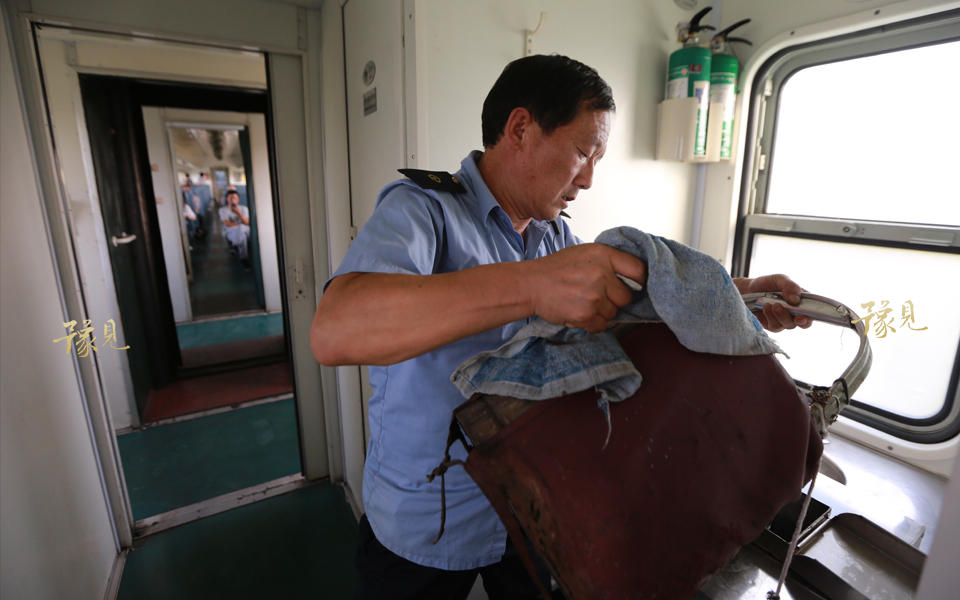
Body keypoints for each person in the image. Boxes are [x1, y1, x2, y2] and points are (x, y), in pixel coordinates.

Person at [310, 54, 810, 600]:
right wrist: (531, 286)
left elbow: (638, 295)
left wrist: (743, 297)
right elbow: (336, 330)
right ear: (520, 129)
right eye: (582, 152)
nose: (590, 179)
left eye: (598, 160)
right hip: (426, 514)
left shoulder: (553, 236)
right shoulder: (424, 210)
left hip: (528, 505)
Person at [219, 189, 251, 265]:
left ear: (238, 199)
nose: (233, 200)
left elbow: (246, 222)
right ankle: (244, 258)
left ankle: (234, 245)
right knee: (242, 235)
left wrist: (238, 213)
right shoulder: (222, 210)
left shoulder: (244, 208)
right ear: (227, 199)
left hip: (245, 230)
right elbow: (227, 223)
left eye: (235, 198)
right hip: (231, 231)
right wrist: (240, 225)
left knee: (242, 230)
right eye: (230, 198)